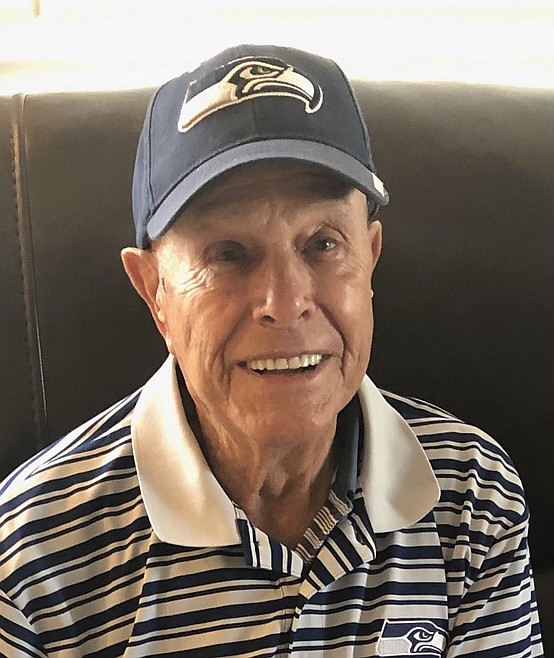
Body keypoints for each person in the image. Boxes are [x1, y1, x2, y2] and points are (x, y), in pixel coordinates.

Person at [0, 44, 543, 657]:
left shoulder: (471, 492)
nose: (286, 303)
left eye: (323, 244)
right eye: (228, 254)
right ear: (154, 291)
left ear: (370, 258)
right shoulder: (31, 556)